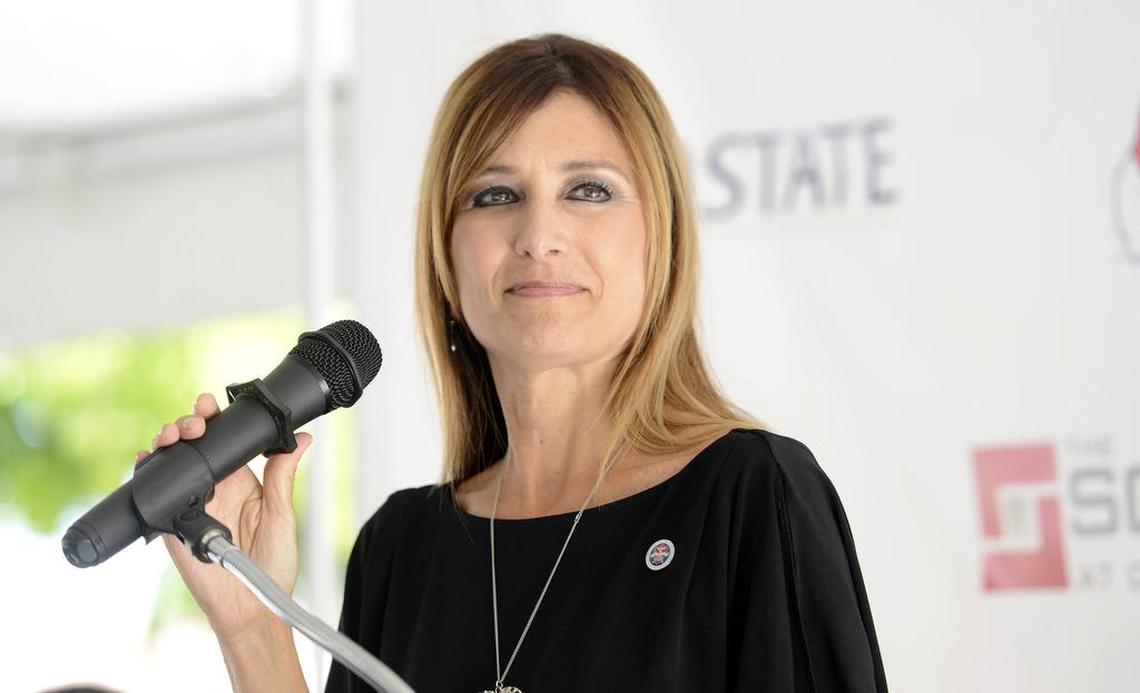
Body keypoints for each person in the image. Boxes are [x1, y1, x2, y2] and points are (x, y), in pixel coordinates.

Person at [144, 34, 888, 692]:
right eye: (495, 194)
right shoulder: (402, 548)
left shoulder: (751, 496)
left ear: (661, 238)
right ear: (447, 255)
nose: (540, 233)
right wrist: (253, 627)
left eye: (589, 189)